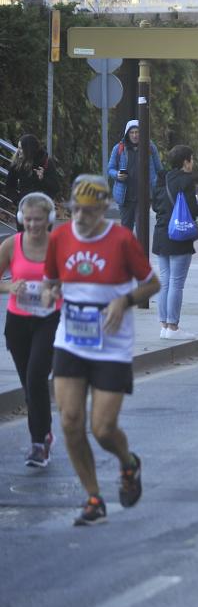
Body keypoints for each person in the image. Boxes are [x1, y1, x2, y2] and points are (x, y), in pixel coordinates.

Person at [41, 175, 160, 526]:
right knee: (70, 421)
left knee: (103, 428)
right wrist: (49, 293)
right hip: (72, 337)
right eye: (75, 209)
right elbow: (51, 280)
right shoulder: (60, 237)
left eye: (89, 212)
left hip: (111, 341)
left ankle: (128, 463)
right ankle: (94, 497)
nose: (79, 217)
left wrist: (123, 301)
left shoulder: (122, 239)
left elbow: (153, 283)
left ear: (105, 208)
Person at [0, 193, 60, 467]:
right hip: (17, 322)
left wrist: (55, 290)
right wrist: (9, 287)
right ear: (22, 219)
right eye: (29, 219)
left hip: (48, 319)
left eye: (39, 220)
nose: (34, 225)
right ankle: (45, 432)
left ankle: (38, 445)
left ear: (49, 220)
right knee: (28, 384)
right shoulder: (11, 245)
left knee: (36, 378)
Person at [152, 145, 198, 341]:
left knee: (165, 282)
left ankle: (164, 326)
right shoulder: (186, 180)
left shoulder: (161, 178)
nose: (193, 163)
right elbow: (192, 210)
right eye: (191, 159)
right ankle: (173, 327)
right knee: (176, 283)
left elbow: (155, 204)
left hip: (161, 234)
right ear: (185, 162)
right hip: (179, 235)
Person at [106, 120, 161, 233]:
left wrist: (157, 187)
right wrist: (117, 175)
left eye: (137, 132)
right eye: (132, 132)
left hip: (144, 196)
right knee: (126, 231)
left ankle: (140, 251)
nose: (135, 135)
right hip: (125, 197)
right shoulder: (119, 148)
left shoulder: (150, 147)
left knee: (142, 231)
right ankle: (127, 251)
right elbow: (110, 169)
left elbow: (159, 169)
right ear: (127, 133)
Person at [3, 134, 60, 214]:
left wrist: (42, 179)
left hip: (42, 210)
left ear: (29, 150)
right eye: (18, 147)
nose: (18, 151)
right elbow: (9, 186)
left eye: (21, 148)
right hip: (24, 209)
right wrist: (18, 201)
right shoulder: (18, 162)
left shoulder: (45, 162)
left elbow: (55, 188)